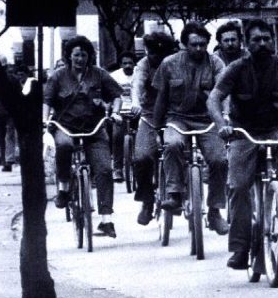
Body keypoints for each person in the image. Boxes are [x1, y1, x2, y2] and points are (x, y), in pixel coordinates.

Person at [208, 19, 278, 270]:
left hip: (276, 128)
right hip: (244, 132)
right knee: (238, 186)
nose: (262, 44)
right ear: (246, 43)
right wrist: (221, 124)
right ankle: (240, 248)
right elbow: (214, 98)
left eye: (266, 39)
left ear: (273, 41)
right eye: (256, 40)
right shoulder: (237, 69)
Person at [152, 22, 228, 235]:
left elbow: (223, 93)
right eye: (194, 44)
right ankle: (174, 194)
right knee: (172, 144)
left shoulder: (216, 64)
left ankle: (215, 211)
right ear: (184, 44)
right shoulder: (169, 63)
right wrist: (157, 129)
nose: (199, 48)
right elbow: (161, 98)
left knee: (219, 160)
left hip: (207, 120)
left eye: (202, 44)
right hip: (177, 119)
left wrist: (225, 118)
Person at [43, 36, 123, 238]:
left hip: (94, 128)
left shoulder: (99, 74)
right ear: (69, 56)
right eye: (76, 55)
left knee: (104, 169)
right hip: (65, 126)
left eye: (84, 55)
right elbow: (47, 101)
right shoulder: (58, 76)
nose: (80, 59)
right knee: (64, 146)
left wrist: (115, 112)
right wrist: (44, 120)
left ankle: (106, 220)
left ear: (89, 56)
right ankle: (63, 188)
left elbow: (116, 96)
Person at [129, 32, 177, 225]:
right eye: (150, 53)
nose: (153, 57)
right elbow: (137, 84)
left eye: (158, 54)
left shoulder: (177, 62)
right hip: (149, 116)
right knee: (142, 157)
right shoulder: (143, 64)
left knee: (181, 151)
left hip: (175, 115)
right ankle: (147, 201)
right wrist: (135, 102)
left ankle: (182, 191)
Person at [0, 55, 20, 171]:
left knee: (2, 137)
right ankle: (8, 160)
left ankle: (6, 161)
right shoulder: (13, 79)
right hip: (8, 112)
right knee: (8, 136)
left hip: (0, 112)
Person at [110, 51, 136, 182]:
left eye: (130, 63)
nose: (128, 66)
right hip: (120, 111)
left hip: (137, 110)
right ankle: (117, 169)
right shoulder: (114, 76)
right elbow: (110, 94)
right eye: (125, 63)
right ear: (120, 64)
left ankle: (140, 168)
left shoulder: (139, 74)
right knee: (117, 136)